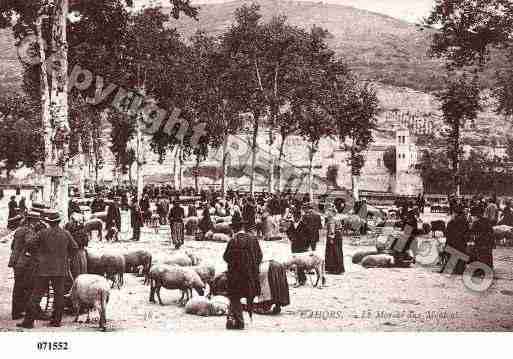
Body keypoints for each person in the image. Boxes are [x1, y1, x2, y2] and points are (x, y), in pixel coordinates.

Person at [17, 210, 78, 329]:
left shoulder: (42, 233)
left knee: (36, 295)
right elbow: (74, 248)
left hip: (43, 269)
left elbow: (29, 243)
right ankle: (56, 321)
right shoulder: (65, 233)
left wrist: (38, 254)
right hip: (60, 270)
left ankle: (28, 322)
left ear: (48, 222)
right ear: (59, 222)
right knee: (59, 295)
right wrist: (66, 258)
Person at [223, 219, 263, 330]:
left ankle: (239, 322)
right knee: (248, 295)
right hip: (250, 276)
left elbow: (226, 257)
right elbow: (260, 256)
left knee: (235, 298)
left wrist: (235, 265)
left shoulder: (232, 241)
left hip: (236, 277)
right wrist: (253, 267)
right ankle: (239, 318)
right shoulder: (253, 239)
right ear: (243, 228)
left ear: (234, 229)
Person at [8, 212, 42, 320]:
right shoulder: (29, 230)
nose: (38, 223)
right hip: (24, 263)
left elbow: (12, 245)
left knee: (18, 287)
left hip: (16, 262)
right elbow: (29, 243)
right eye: (37, 221)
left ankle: (16, 312)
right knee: (27, 286)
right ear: (32, 221)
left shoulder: (19, 230)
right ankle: (26, 311)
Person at [441, 204, 469, 274]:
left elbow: (447, 234)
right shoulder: (465, 222)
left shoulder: (451, 222)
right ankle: (460, 268)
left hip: (452, 245)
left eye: (452, 213)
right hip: (462, 245)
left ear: (455, 213)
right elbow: (467, 234)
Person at [470, 205, 495, 271]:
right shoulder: (487, 220)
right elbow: (491, 231)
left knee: (478, 253)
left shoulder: (476, 222)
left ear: (475, 215)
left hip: (481, 242)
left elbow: (472, 232)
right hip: (489, 241)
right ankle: (489, 266)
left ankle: (481, 268)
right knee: (488, 253)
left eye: (473, 215)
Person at [65, 213, 89, 278]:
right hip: (79, 253)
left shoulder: (70, 232)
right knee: (81, 270)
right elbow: (86, 242)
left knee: (77, 270)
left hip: (75, 254)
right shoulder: (83, 231)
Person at [325, 202, 345, 274]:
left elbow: (332, 230)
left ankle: (333, 268)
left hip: (334, 237)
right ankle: (340, 268)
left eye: (328, 212)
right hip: (339, 236)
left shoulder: (332, 220)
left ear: (332, 212)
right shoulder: (338, 218)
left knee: (332, 252)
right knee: (339, 252)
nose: (327, 214)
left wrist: (331, 238)